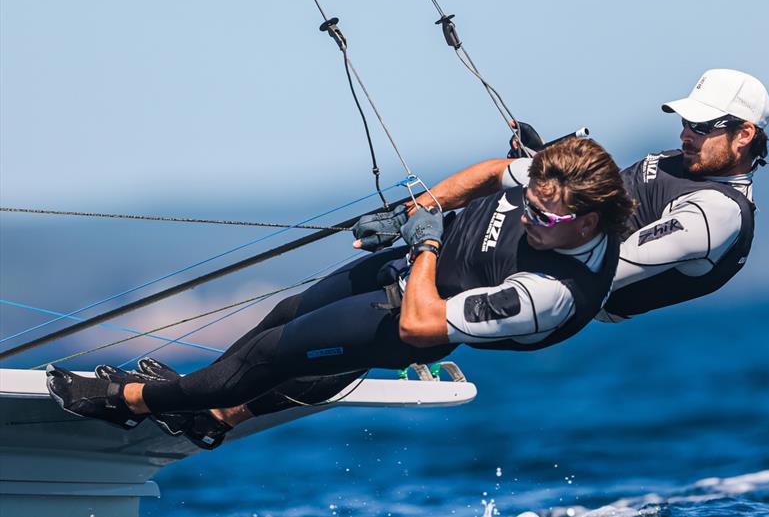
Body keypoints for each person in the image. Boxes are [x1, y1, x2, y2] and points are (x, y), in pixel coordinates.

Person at [47, 136, 634, 448]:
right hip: (408, 267)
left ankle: (130, 402)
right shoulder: (549, 185)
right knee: (284, 315)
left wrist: (426, 245)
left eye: (547, 220)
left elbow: (421, 327)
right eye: (528, 204)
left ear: (588, 221)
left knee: (271, 354)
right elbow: (488, 173)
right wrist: (419, 211)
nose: (530, 217)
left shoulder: (551, 293)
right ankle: (209, 413)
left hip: (413, 316)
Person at [505, 69, 769, 321]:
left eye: (702, 126)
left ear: (743, 134)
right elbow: (608, 191)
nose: (684, 134)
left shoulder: (718, 213)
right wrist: (543, 161)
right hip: (541, 231)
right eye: (686, 121)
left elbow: (604, 270)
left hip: (551, 279)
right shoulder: (685, 162)